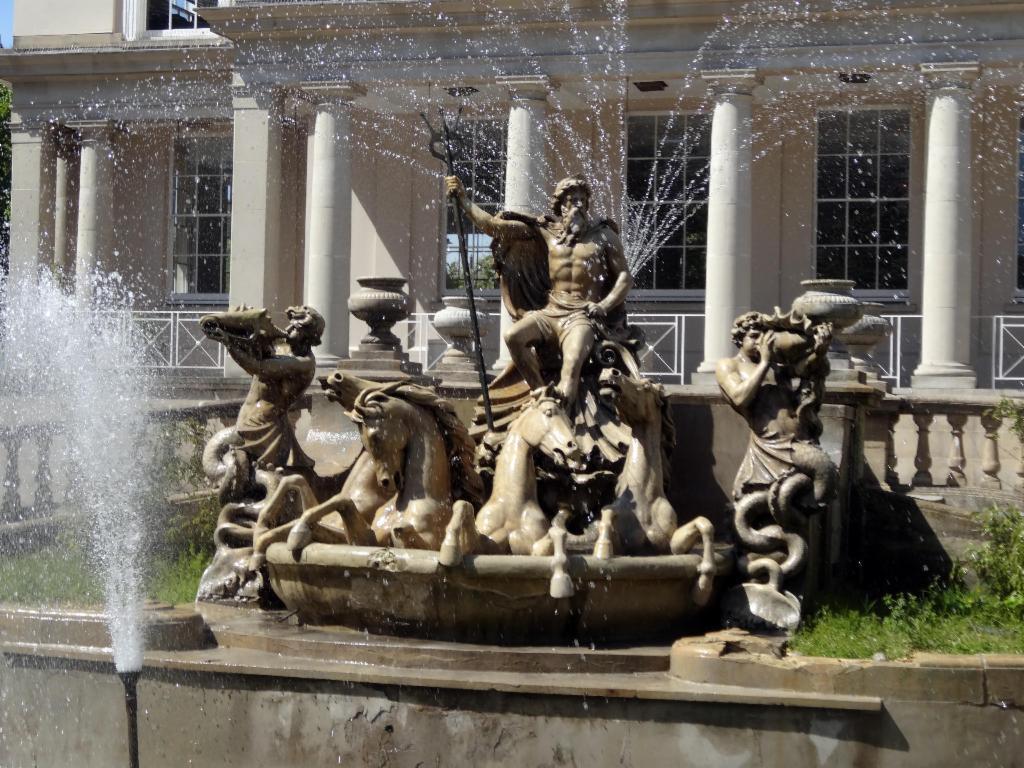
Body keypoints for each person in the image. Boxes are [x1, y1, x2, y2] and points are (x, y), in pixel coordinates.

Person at [446, 174, 632, 409]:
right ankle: (541, 395)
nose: (577, 205)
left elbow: (624, 277)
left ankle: (568, 425)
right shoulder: (546, 232)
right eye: (571, 200)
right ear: (560, 205)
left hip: (582, 316)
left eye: (582, 200)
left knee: (572, 365)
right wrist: (463, 200)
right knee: (513, 337)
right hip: (550, 311)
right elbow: (494, 227)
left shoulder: (604, 236)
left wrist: (603, 306)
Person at [715, 311, 836, 508]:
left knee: (826, 476)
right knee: (823, 468)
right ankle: (793, 514)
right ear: (739, 339)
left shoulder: (777, 366)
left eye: (762, 336)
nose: (760, 342)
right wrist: (764, 362)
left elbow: (805, 369)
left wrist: (819, 351)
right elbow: (739, 398)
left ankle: (795, 514)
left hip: (799, 439)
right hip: (773, 445)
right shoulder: (728, 365)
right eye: (753, 336)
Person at [222, 305, 325, 471]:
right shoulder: (284, 349)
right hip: (251, 420)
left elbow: (257, 366)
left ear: (308, 336)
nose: (288, 328)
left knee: (249, 477)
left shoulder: (302, 364)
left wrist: (227, 342)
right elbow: (257, 351)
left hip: (266, 428)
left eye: (295, 327)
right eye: (290, 323)